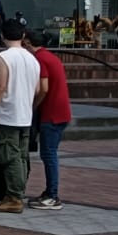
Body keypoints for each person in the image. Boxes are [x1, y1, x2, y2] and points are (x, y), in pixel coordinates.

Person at [0, 19, 41, 213]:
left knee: (10, 156)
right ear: (23, 36)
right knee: (23, 156)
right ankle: (17, 193)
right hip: (25, 114)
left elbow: (0, 86)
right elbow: (38, 88)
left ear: (2, 36)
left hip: (8, 114)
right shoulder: (32, 58)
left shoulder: (4, 57)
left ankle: (15, 197)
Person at [23, 30, 70, 209]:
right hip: (61, 111)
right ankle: (50, 192)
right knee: (50, 153)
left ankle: (52, 194)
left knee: (49, 154)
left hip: (51, 112)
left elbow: (43, 87)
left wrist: (33, 105)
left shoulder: (40, 59)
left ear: (28, 43)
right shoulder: (50, 57)